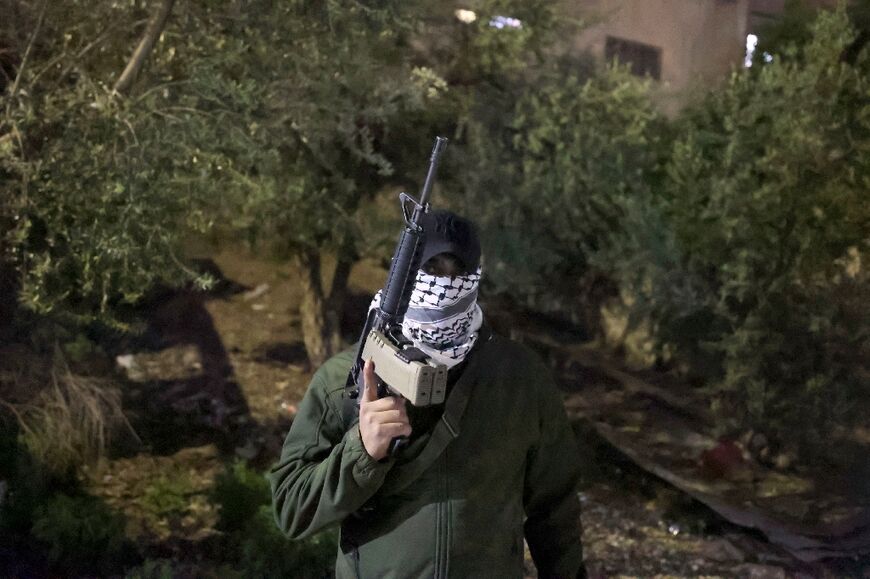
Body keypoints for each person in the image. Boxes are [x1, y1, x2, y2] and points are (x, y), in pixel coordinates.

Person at [269, 210, 587, 578]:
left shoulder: (519, 377)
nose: (444, 287)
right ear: (403, 277)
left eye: (457, 274)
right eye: (432, 271)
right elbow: (291, 509)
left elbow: (556, 510)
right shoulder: (345, 379)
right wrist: (362, 450)